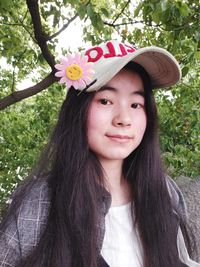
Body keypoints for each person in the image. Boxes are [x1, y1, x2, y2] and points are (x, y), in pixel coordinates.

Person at [0, 40, 199, 267]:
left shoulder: (165, 190)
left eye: (136, 104)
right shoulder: (41, 201)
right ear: (78, 111)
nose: (123, 119)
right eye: (105, 101)